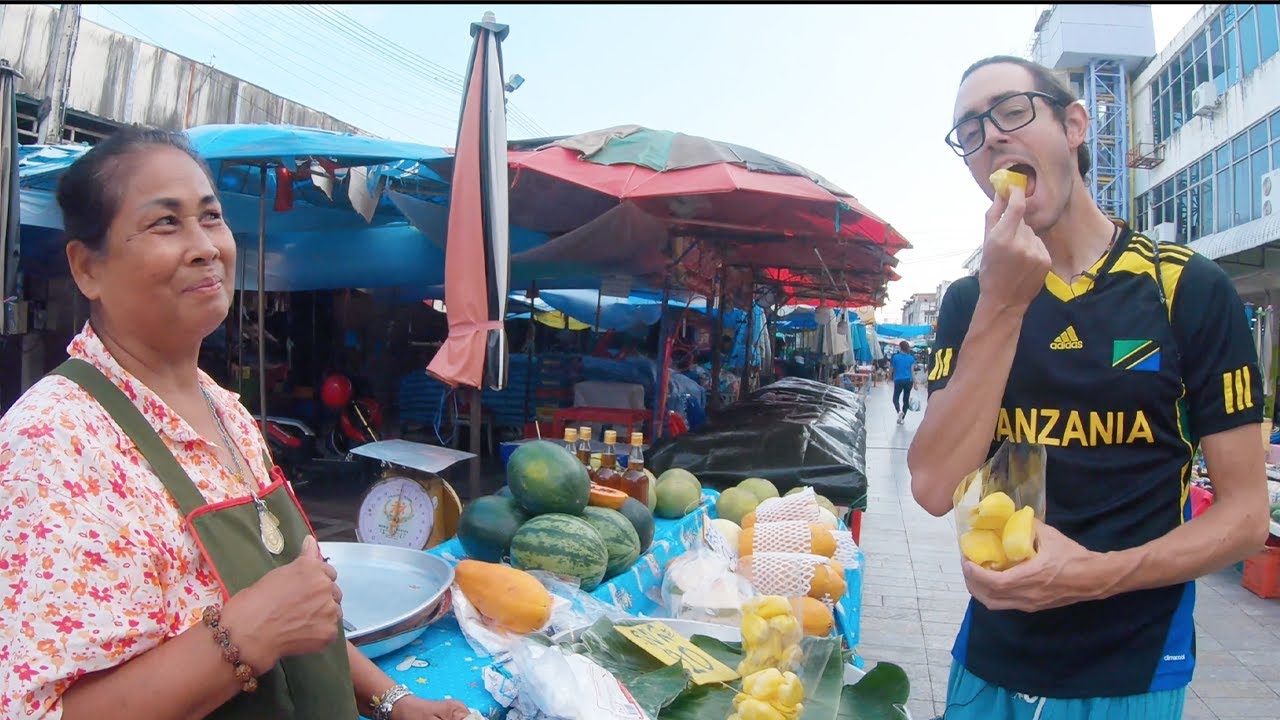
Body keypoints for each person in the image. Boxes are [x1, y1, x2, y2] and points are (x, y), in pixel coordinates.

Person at [0, 129, 470, 720]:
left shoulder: (226, 410)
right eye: (165, 223)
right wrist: (245, 635)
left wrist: (395, 701)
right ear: (86, 267)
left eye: (211, 218)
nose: (204, 247)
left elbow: (300, 600)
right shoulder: (54, 442)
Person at [908, 56, 1268, 719]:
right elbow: (933, 487)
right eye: (969, 132)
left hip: (1134, 664)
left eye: (1012, 111)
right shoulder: (970, 302)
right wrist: (1002, 303)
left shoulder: (1185, 288)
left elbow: (1246, 517)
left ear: (1074, 124)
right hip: (992, 654)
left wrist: (1090, 576)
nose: (991, 138)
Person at [889, 340, 916, 424]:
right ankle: (902, 419)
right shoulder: (911, 358)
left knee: (895, 398)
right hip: (909, 381)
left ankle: (899, 411)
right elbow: (912, 371)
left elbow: (891, 369)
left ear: (900, 347)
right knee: (906, 399)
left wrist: (889, 377)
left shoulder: (895, 357)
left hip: (899, 380)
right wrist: (915, 383)